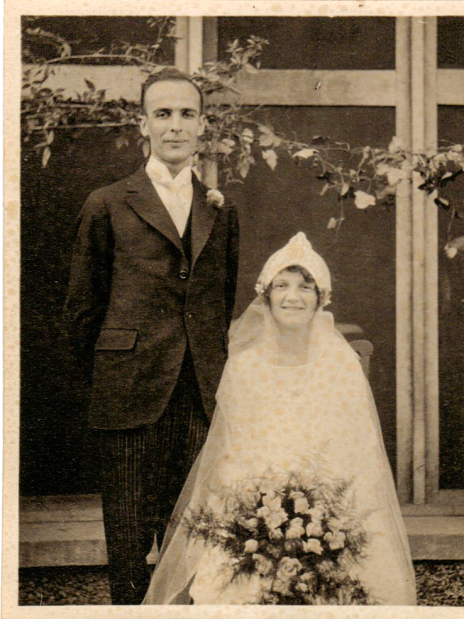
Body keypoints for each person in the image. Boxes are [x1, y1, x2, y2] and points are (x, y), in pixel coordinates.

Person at [143, 232, 417, 606]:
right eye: (282, 286)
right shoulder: (245, 366)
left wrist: (318, 514)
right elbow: (233, 453)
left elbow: (357, 452)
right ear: (266, 296)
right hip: (256, 500)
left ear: (321, 298)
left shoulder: (341, 365)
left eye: (306, 287)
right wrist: (265, 511)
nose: (293, 297)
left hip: (330, 500)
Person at [63, 68, 239, 605]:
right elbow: (81, 313)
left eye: (187, 114)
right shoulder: (108, 203)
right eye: (163, 114)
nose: (175, 126)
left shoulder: (221, 209)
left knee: (195, 546)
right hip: (129, 397)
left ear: (203, 126)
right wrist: (116, 375)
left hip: (198, 399)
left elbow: (220, 300)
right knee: (130, 546)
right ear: (144, 124)